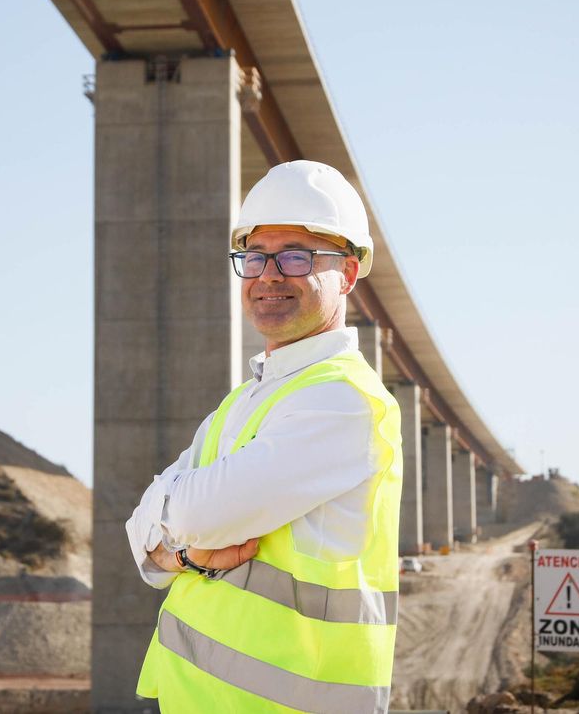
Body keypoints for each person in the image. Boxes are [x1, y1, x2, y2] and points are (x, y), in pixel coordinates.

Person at [126, 160, 403, 713]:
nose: (268, 275)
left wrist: (175, 527)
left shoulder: (345, 401)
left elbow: (190, 512)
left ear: (348, 274)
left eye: (296, 257)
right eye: (254, 257)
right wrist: (187, 551)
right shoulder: (243, 402)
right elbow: (140, 538)